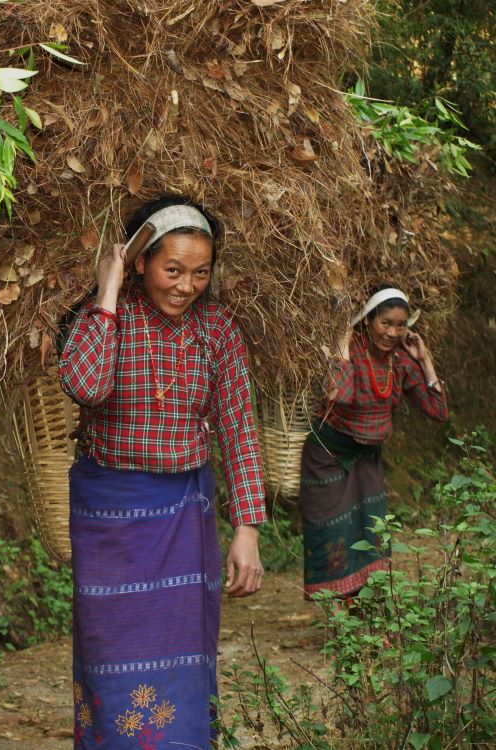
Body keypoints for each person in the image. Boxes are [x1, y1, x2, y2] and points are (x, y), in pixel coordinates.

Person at [59, 195, 267, 749]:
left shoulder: (217, 330)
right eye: (172, 270)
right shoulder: (106, 317)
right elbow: (85, 385)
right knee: (110, 657)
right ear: (141, 261)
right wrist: (108, 289)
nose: (185, 286)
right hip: (110, 520)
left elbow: (239, 429)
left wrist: (247, 529)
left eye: (200, 272)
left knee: (184, 656)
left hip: (184, 519)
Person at [300, 285, 447, 603]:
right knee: (331, 534)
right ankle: (335, 618)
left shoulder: (400, 362)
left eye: (401, 325)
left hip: (367, 459)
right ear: (367, 320)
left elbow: (438, 411)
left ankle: (366, 614)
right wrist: (342, 348)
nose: (393, 332)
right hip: (327, 458)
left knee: (371, 535)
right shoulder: (351, 351)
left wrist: (425, 360)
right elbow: (339, 395)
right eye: (386, 323)